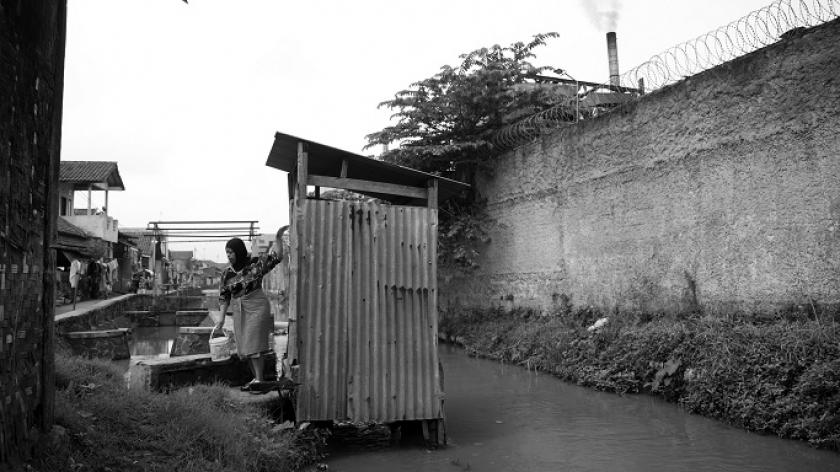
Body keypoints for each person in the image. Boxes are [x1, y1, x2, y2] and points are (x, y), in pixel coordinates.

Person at [217, 225, 288, 393]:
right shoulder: (226, 273)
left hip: (257, 306)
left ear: (239, 251)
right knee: (244, 348)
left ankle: (259, 380)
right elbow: (223, 296)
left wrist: (278, 237)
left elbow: (276, 257)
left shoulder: (255, 264)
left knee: (254, 344)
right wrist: (220, 319)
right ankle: (255, 378)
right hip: (239, 310)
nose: (229, 256)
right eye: (227, 252)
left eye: (231, 252)